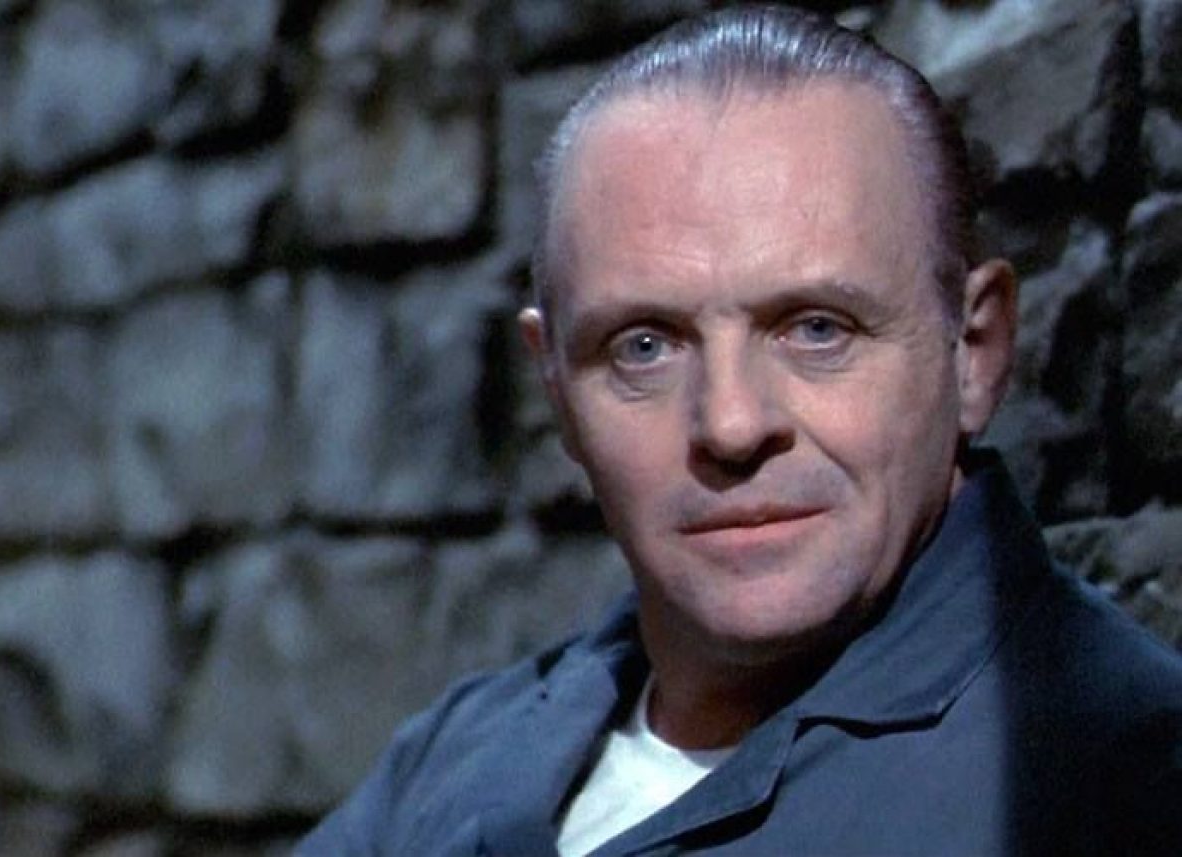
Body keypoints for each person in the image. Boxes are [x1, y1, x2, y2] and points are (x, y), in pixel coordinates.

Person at [298, 6, 1182, 855]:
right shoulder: (452, 757)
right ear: (555, 387)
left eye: (817, 329)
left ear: (974, 353)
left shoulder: (1110, 787)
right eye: (644, 346)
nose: (730, 423)